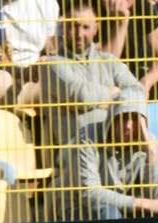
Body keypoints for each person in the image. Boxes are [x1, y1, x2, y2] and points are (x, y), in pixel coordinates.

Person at [51, 101, 158, 223]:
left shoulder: (150, 143)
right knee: (112, 216)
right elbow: (90, 194)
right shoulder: (88, 137)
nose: (128, 126)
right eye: (122, 118)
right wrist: (143, 203)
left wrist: (151, 155)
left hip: (127, 212)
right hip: (81, 211)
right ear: (112, 119)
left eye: (135, 119)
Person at [42, 1, 148, 145]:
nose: (79, 34)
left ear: (95, 29)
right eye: (73, 26)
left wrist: (99, 103)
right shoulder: (52, 65)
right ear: (63, 27)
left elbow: (138, 91)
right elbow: (81, 96)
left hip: (116, 149)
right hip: (78, 152)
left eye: (85, 27)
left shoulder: (109, 61)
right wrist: (113, 95)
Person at [97, 0, 158, 99]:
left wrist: (146, 82)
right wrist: (121, 22)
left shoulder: (141, 5)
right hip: (104, 80)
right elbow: (103, 67)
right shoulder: (90, 9)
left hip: (136, 72)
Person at [0, 0, 59, 106]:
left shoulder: (47, 4)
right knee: (1, 82)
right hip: (2, 70)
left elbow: (51, 48)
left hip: (35, 72)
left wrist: (46, 58)